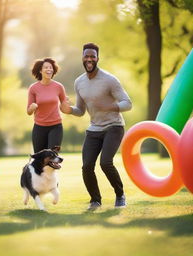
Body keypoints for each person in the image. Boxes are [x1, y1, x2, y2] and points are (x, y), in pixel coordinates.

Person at [66, 43, 132, 210]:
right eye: (86, 56)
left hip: (114, 126)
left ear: (97, 59)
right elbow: (80, 110)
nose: (89, 59)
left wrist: (111, 107)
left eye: (92, 57)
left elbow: (128, 103)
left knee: (105, 163)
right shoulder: (79, 82)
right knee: (87, 166)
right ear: (82, 58)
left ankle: (120, 194)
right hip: (94, 128)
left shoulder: (109, 79)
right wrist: (68, 110)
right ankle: (95, 200)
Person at [27, 57, 71, 153]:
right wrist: (32, 107)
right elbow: (29, 112)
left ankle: (52, 168)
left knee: (52, 157)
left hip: (56, 127)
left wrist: (67, 104)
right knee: (39, 159)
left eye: (51, 68)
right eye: (46, 67)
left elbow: (65, 108)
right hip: (39, 127)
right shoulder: (33, 88)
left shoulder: (59, 87)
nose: (49, 69)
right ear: (40, 70)